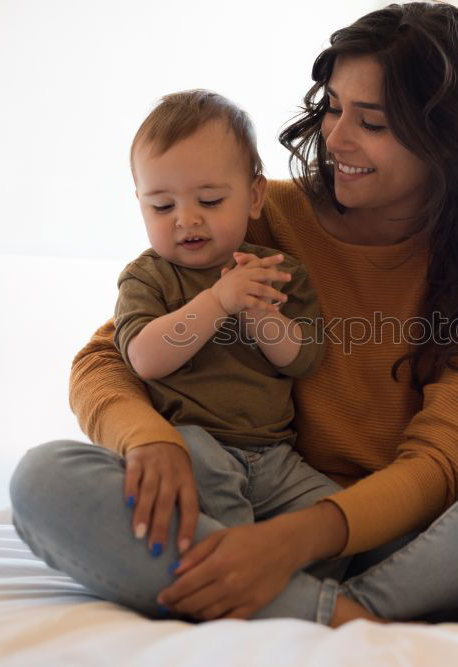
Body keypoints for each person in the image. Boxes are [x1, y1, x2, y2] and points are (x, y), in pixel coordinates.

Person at [9, 1, 458, 628]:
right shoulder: (255, 217)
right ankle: (358, 613)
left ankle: (327, 602)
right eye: (334, 108)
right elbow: (109, 357)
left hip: (394, 534)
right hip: (232, 511)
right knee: (46, 480)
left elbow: (440, 463)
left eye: (371, 123)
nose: (335, 138)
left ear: (444, 142)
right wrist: (146, 439)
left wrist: (292, 543)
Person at [111, 90, 349, 571]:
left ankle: (308, 592)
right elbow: (144, 357)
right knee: (216, 504)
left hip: (275, 455)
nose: (186, 219)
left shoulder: (278, 271)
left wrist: (261, 315)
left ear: (255, 196)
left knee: (335, 518)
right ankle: (238, 574)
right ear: (139, 204)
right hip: (194, 444)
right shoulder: (148, 277)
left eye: (210, 200)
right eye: (161, 207)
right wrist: (217, 301)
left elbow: (302, 360)